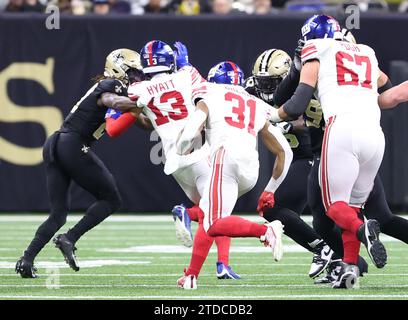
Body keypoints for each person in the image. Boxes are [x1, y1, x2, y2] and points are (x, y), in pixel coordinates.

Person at [268, 14, 389, 289]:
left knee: (335, 210)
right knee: (355, 211)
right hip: (372, 134)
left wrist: (274, 117)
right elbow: (388, 91)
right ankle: (349, 269)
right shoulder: (365, 53)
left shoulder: (319, 51)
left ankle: (360, 235)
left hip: (337, 138)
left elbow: (292, 102)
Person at [15, 49, 143, 278]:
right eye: (133, 72)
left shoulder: (113, 87)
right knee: (112, 199)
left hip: (56, 142)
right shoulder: (112, 84)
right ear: (119, 68)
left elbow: (139, 119)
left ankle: (26, 259)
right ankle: (69, 238)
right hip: (73, 143)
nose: (136, 78)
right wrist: (142, 100)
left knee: (58, 214)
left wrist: (153, 110)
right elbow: (111, 101)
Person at [127, 40, 241, 280]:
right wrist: (186, 64)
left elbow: (142, 117)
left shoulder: (139, 89)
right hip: (199, 151)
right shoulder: (185, 75)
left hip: (174, 162)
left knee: (212, 210)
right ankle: (191, 228)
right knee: (218, 210)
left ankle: (222, 264)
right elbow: (205, 99)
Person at [175, 60, 293, 289]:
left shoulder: (210, 91)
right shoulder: (255, 102)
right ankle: (191, 276)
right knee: (211, 214)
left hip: (225, 159)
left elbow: (193, 128)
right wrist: (270, 189)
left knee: (213, 223)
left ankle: (266, 230)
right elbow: (284, 152)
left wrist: (181, 149)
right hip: (250, 170)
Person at [245, 48, 334, 279]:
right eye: (262, 82)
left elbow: (308, 119)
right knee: (285, 216)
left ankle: (324, 250)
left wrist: (287, 124)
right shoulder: (251, 88)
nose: (265, 88)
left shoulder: (302, 88)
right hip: (294, 157)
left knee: (273, 209)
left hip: (312, 155)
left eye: (272, 82)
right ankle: (339, 260)